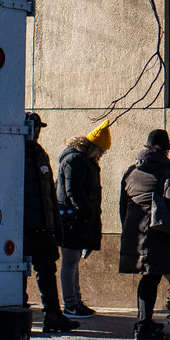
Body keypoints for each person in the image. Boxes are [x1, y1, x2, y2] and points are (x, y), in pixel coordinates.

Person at [118, 127, 170, 340]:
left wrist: (127, 229)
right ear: (164, 150)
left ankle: (143, 323)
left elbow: (123, 205)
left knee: (148, 277)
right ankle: (143, 327)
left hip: (133, 229)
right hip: (155, 231)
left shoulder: (131, 171)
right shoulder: (167, 170)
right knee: (151, 278)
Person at [56, 117, 110, 320]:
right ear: (93, 147)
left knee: (73, 261)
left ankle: (75, 301)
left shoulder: (80, 160)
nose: (101, 155)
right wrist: (87, 212)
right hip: (72, 220)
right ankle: (71, 304)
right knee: (70, 262)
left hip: (75, 219)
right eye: (101, 151)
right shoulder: (75, 160)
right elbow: (73, 191)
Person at [22, 113, 70, 335]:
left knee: (47, 271)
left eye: (38, 128)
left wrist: (55, 227)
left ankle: (53, 315)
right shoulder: (14, 152)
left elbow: (50, 192)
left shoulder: (40, 154)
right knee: (20, 273)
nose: (36, 132)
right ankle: (21, 314)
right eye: (33, 128)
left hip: (43, 226)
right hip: (23, 228)